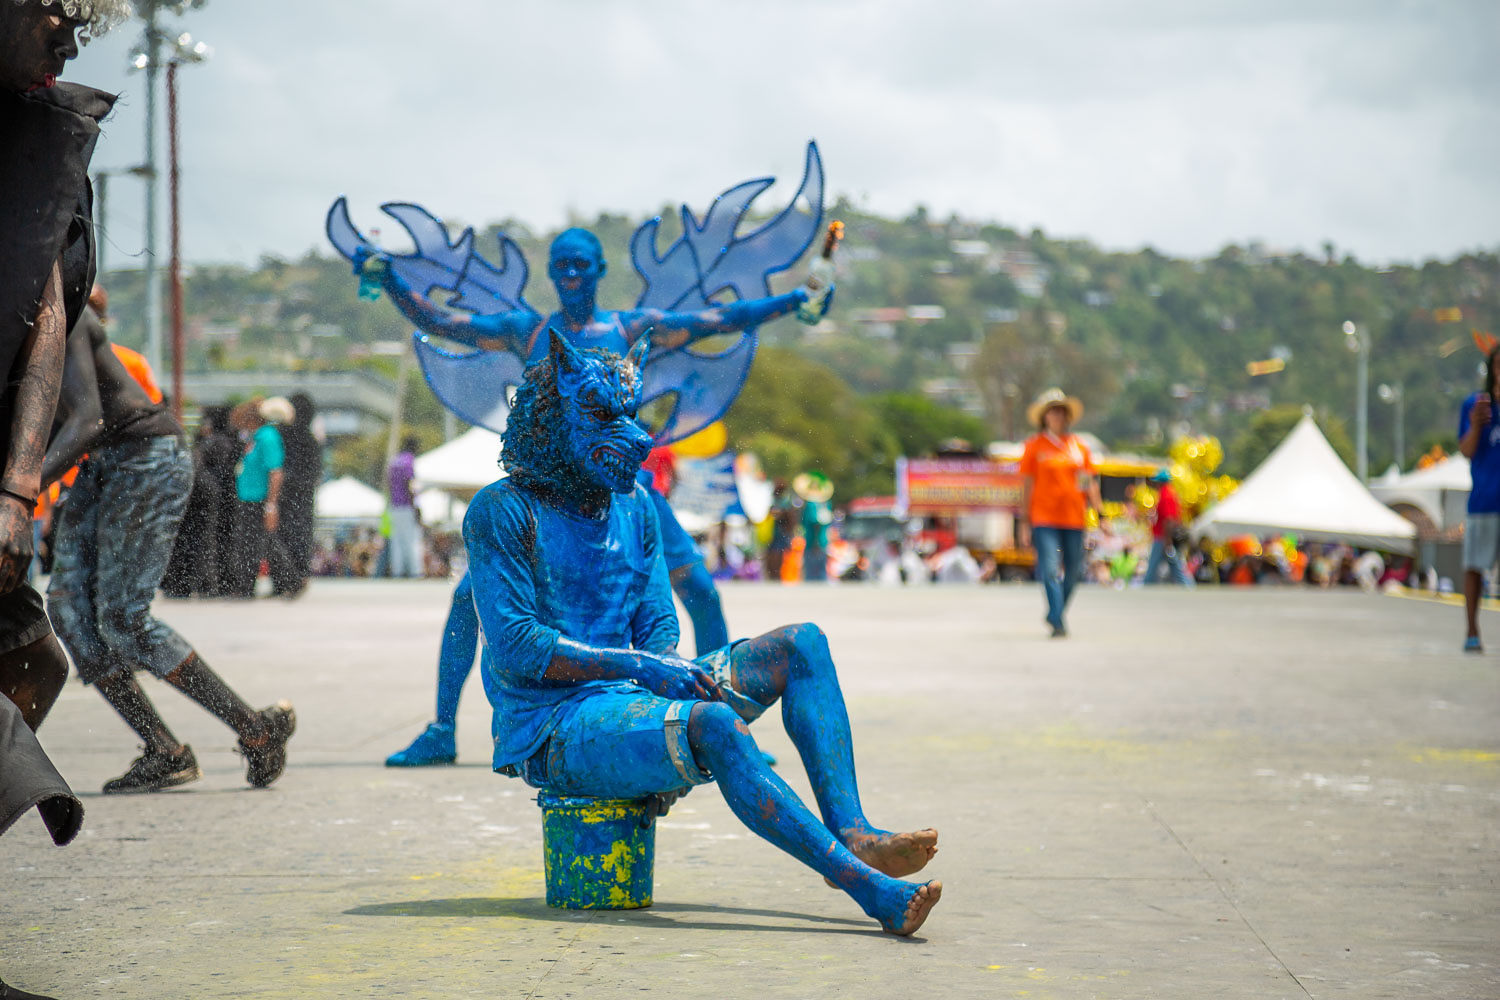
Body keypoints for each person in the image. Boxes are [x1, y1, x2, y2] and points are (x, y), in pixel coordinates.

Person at [465, 333, 941, 936]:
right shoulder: (501, 509)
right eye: (602, 417)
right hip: (553, 727)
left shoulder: (635, 506)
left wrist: (657, 680)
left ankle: (853, 830)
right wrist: (644, 675)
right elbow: (517, 645)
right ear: (554, 419)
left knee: (803, 642)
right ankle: (864, 885)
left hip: (625, 693)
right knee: (714, 725)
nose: (636, 438)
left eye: (632, 417)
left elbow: (658, 624)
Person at [44, 304, 296, 793]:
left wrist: (22, 490)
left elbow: (88, 419)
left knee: (123, 618)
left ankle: (255, 729)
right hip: (103, 464)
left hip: (145, 458)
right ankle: (164, 749)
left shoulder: (60, 315)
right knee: (68, 609)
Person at [1, 6, 125, 996]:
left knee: (39, 655)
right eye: (56, 11)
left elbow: (48, 328)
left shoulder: (42, 145)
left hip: (29, 463)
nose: (71, 35)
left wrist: (18, 487)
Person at [1018, 388, 1100, 638]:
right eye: (1053, 411)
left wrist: (1099, 511)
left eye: (1061, 411)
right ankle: (1058, 621)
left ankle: (1055, 611)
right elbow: (1026, 485)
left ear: (1067, 416)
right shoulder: (1034, 447)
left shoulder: (1078, 447)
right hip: (1044, 518)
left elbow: (1088, 482)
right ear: (1045, 416)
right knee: (1051, 568)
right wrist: (1023, 521)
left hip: (1074, 518)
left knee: (1074, 569)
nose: (1057, 416)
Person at [227, 397, 292, 598]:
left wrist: (271, 504)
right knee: (256, 542)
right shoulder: (254, 438)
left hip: (259, 498)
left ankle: (287, 581)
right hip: (248, 496)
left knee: (256, 544)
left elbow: (275, 471)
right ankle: (285, 582)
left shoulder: (267, 436)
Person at [1458, 345, 1500, 652]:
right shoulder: (1475, 404)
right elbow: (1467, 451)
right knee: (1474, 566)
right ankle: (1472, 631)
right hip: (1484, 500)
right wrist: (1476, 424)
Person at [273, 392, 321, 597]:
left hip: (284, 494)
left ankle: (282, 581)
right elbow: (315, 470)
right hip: (304, 495)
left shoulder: (282, 433)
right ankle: (299, 576)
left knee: (282, 535)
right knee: (301, 534)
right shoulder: (310, 439)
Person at [1143, 469, 1194, 586]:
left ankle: (1147, 584)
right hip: (1163, 536)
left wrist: (1168, 540)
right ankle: (1187, 585)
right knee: (1173, 563)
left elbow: (1169, 520)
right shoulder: (1166, 493)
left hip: (1162, 537)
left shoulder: (1166, 495)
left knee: (1155, 564)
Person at [386, 435, 422, 579]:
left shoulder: (394, 461)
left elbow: (389, 483)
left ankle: (397, 571)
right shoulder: (409, 461)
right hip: (407, 505)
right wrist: (415, 505)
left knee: (397, 540)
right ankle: (415, 571)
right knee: (411, 539)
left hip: (395, 505)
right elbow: (410, 484)